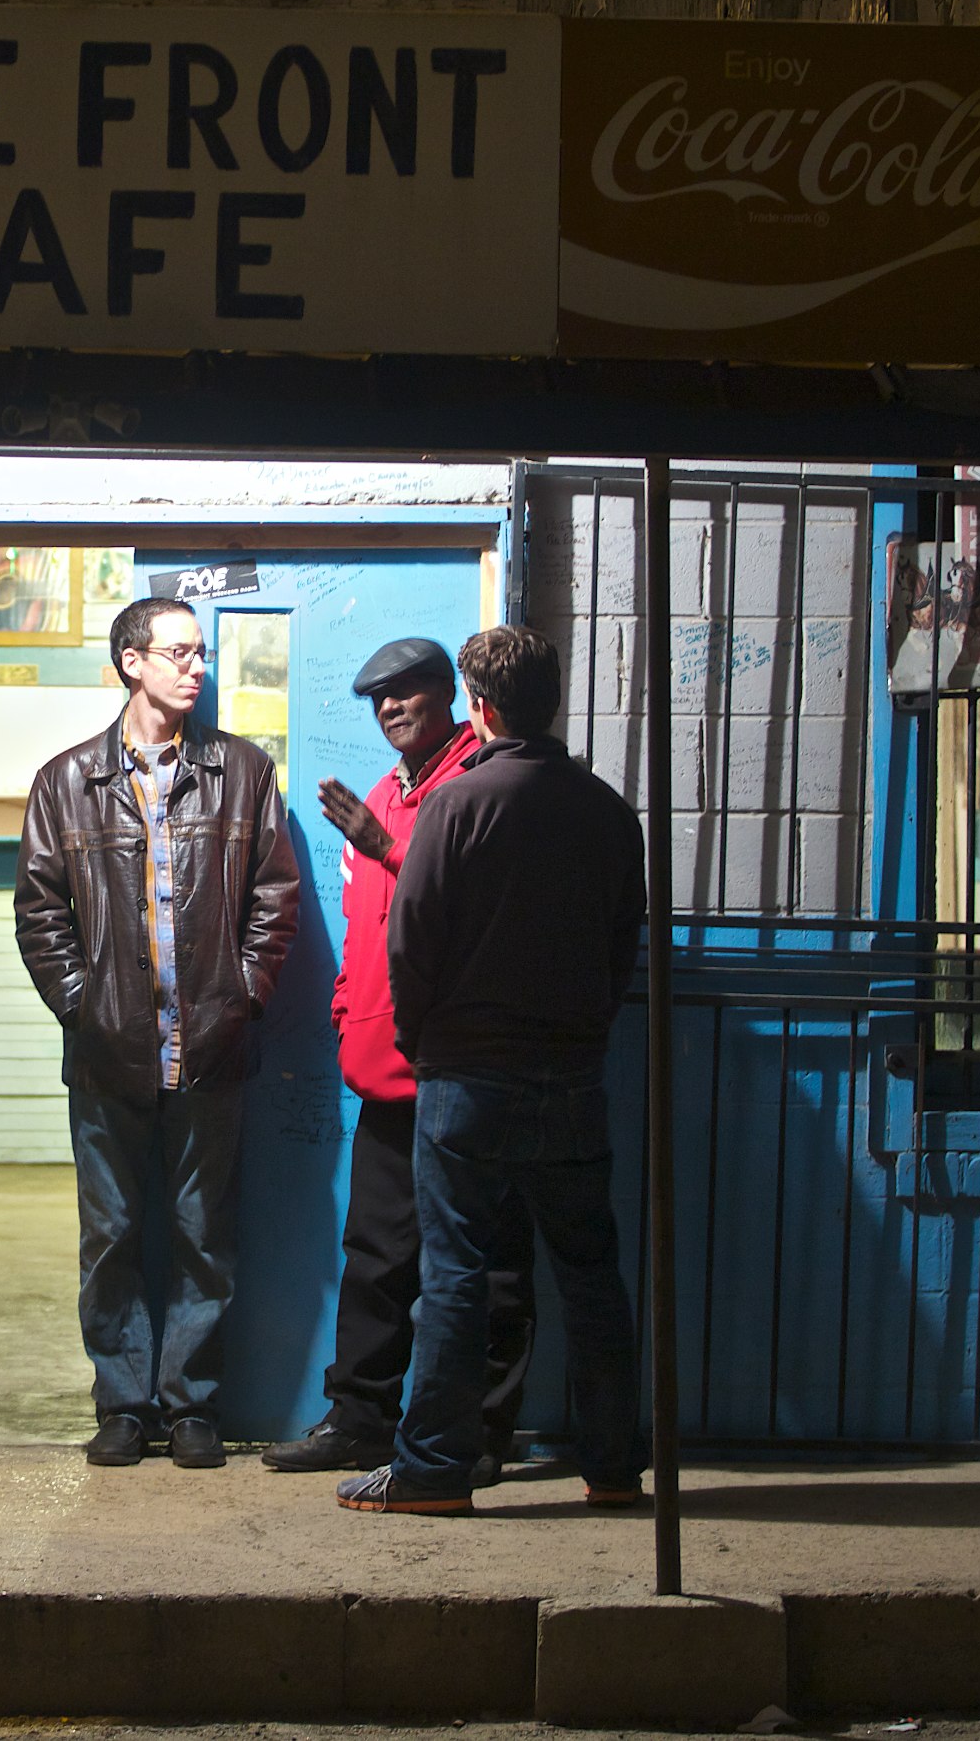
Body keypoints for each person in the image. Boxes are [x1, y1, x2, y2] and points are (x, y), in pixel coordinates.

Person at [338, 624, 649, 1517]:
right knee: (592, 1274)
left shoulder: (458, 805)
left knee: (456, 1272)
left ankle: (433, 1472)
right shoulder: (605, 810)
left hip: (468, 1077)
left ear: (480, 706)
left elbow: (412, 940)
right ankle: (614, 1468)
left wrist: (427, 1040)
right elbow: (622, 944)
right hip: (573, 1078)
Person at [15, 595, 302, 1469]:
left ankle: (191, 1405)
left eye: (202, 654)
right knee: (110, 1238)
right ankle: (123, 1404)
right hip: (107, 1058)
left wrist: (243, 996)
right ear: (130, 662)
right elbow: (40, 913)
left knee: (203, 1235)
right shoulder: (66, 782)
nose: (196, 667)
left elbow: (274, 899)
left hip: (212, 1049)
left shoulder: (244, 772)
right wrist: (84, 1006)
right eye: (177, 653)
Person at [263, 636, 537, 1479]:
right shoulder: (385, 794)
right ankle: (360, 1420)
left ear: (447, 694)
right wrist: (351, 1017)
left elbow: (485, 912)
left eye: (407, 692)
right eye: (377, 698)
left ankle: (484, 1432)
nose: (389, 708)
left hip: (465, 1071)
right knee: (378, 1258)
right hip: (386, 1071)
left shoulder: (480, 783)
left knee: (487, 1259)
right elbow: (366, 933)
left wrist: (386, 844)